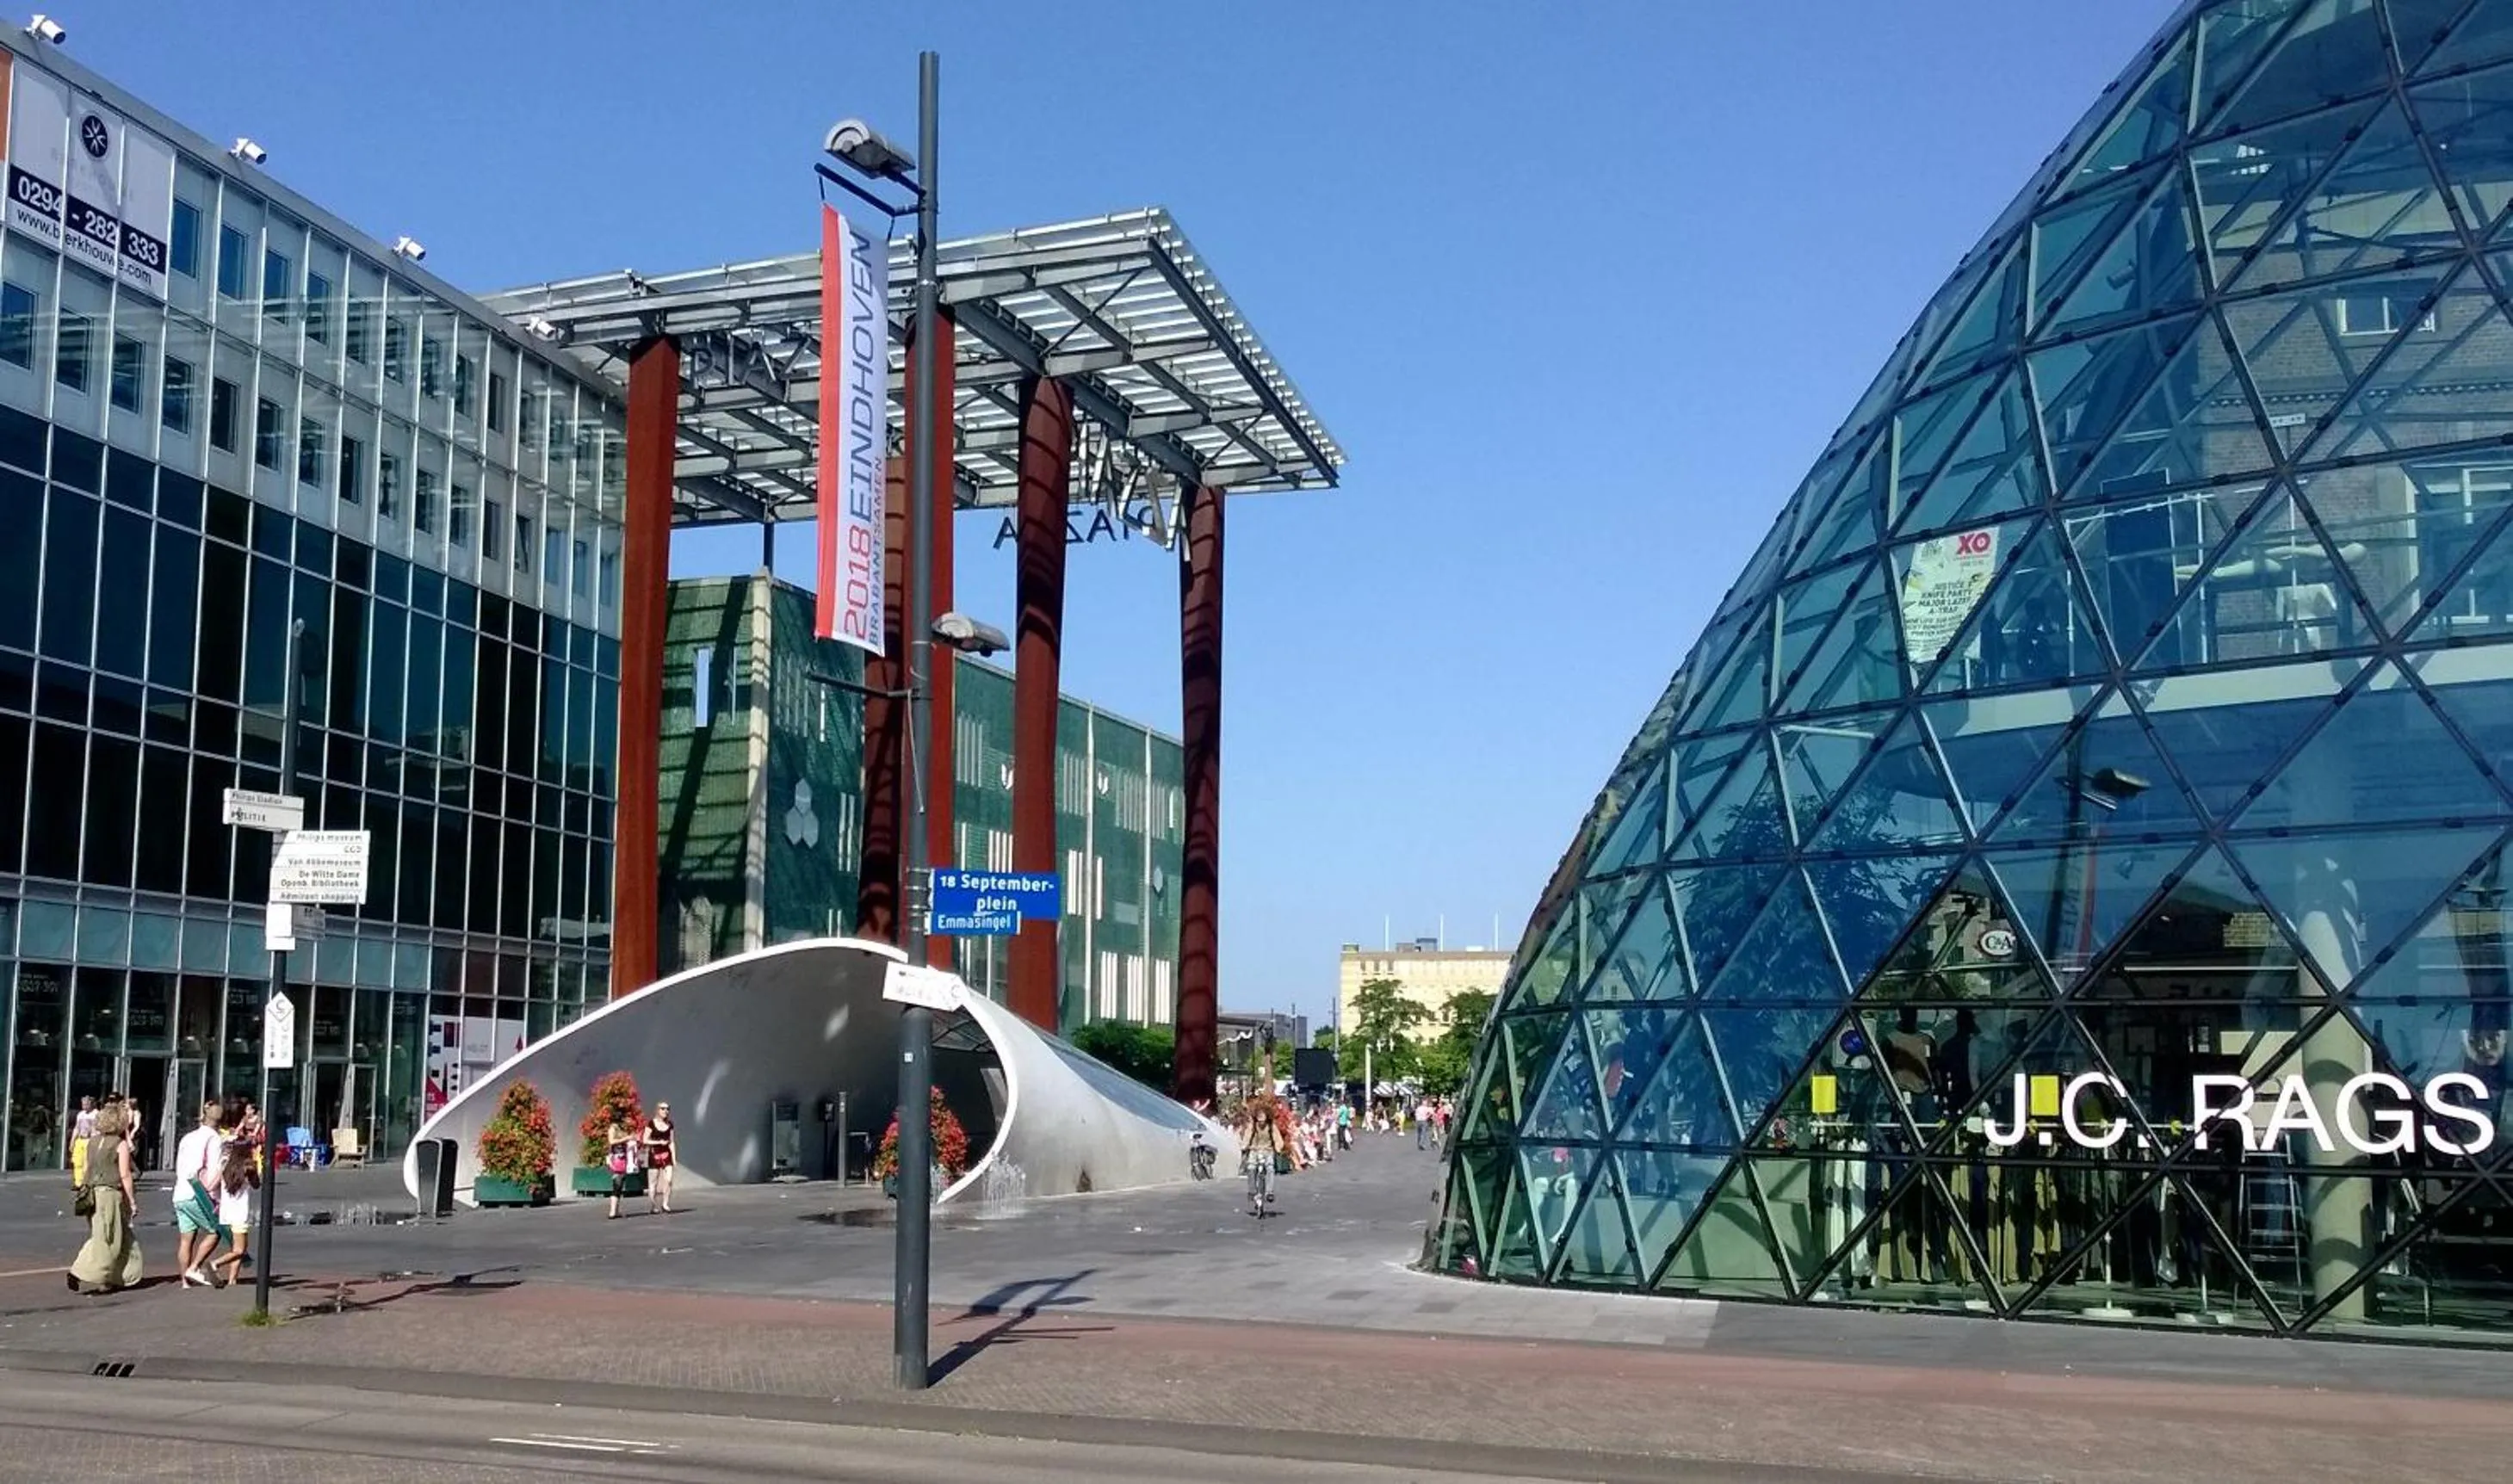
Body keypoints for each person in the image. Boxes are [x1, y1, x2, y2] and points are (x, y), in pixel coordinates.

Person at [67, 1103, 142, 1294]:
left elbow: (86, 1169)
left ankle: (111, 1278)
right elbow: (125, 1175)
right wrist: (132, 1201)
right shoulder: (120, 1144)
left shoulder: (92, 1142)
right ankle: (82, 1271)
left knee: (108, 1235)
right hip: (109, 1194)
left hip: (91, 1193)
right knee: (108, 1238)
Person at [170, 1099, 226, 1287]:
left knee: (187, 1238)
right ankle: (194, 1268)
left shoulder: (187, 1137)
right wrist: (216, 1196)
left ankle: (184, 1281)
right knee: (214, 1231)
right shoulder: (214, 1139)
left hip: (180, 1191)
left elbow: (180, 1165)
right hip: (198, 1193)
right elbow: (214, 1169)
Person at [211, 1137, 259, 1289]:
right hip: (240, 1213)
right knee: (240, 1250)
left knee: (237, 1249)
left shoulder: (226, 1164)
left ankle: (233, 1280)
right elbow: (256, 1185)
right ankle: (215, 1264)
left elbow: (216, 1185)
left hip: (227, 1212)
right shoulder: (248, 1167)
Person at [642, 1102, 678, 1215]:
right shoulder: (651, 1123)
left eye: (668, 1109)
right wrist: (659, 1142)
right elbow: (645, 1140)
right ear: (658, 1110)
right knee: (653, 1182)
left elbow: (672, 1142)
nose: (665, 1111)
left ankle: (665, 1204)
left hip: (666, 1154)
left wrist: (674, 1157)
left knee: (669, 1179)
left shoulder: (670, 1124)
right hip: (654, 1154)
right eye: (663, 1109)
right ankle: (653, 1206)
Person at [603, 1120, 634, 1218]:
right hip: (617, 1159)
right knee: (617, 1185)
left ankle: (615, 1210)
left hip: (623, 1158)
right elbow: (611, 1141)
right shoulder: (613, 1128)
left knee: (620, 1184)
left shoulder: (622, 1129)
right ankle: (612, 1211)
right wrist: (626, 1138)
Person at [67, 1096, 97, 1193]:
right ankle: (78, 1183)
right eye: (83, 1104)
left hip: (90, 1140)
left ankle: (86, 1182)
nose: (84, 1106)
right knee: (77, 1162)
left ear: (92, 1104)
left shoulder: (96, 1114)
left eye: (86, 1104)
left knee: (87, 1162)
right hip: (80, 1139)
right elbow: (77, 1128)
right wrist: (73, 1141)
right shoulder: (80, 1114)